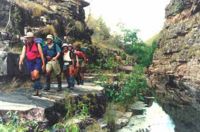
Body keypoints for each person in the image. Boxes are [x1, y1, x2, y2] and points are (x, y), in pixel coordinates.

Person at [18, 32, 45, 96]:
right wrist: (20, 62)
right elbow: (22, 54)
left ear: (32, 38)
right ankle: (37, 91)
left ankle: (39, 88)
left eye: (29, 38)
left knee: (35, 74)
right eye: (27, 38)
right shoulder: (25, 45)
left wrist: (43, 63)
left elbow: (41, 54)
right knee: (33, 77)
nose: (28, 39)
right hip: (29, 61)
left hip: (37, 60)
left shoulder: (37, 44)